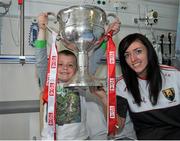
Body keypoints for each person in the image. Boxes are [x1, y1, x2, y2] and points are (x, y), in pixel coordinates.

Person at [35, 12, 122, 140]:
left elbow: (94, 58)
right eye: (60, 64)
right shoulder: (48, 82)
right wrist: (42, 29)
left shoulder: (81, 80)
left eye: (70, 65)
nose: (65, 67)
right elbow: (41, 60)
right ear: (53, 65)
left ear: (77, 69)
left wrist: (107, 36)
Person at [116, 33, 180, 139]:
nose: (133, 59)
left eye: (138, 51)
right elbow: (117, 127)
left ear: (149, 51)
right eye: (127, 55)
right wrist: (104, 98)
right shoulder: (121, 85)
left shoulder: (174, 75)